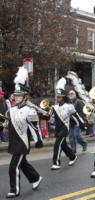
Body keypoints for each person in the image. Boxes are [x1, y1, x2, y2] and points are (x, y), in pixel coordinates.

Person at [5, 66, 43, 198]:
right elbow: (7, 123)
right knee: (23, 164)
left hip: (22, 142)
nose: (16, 97)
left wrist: (38, 140)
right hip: (14, 141)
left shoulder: (30, 110)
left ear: (25, 97)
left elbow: (34, 127)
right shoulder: (12, 110)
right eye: (15, 95)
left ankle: (14, 190)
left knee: (13, 167)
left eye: (19, 95)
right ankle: (36, 178)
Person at [49, 77, 85, 170]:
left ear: (64, 97)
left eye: (59, 96)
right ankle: (72, 156)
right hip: (58, 129)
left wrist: (82, 125)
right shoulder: (55, 107)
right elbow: (50, 118)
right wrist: (43, 113)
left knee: (57, 145)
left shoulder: (69, 106)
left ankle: (56, 163)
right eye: (57, 96)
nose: (58, 98)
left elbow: (76, 116)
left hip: (65, 128)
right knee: (63, 145)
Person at [67, 89, 88, 154]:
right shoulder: (68, 103)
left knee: (76, 135)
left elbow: (82, 112)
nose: (71, 95)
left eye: (72, 93)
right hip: (71, 122)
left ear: (75, 94)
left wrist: (82, 121)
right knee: (71, 137)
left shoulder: (78, 102)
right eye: (69, 94)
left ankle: (84, 143)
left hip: (78, 122)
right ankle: (73, 151)